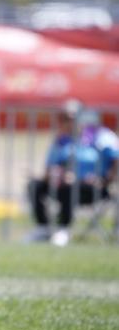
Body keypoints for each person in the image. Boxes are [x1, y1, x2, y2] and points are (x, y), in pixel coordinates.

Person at [27, 104, 119, 246]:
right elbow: (50, 166)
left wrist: (105, 180)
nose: (67, 123)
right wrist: (51, 175)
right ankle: (43, 228)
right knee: (35, 186)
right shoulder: (61, 140)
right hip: (64, 184)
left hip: (94, 189)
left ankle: (63, 229)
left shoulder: (102, 135)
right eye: (63, 119)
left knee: (70, 188)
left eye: (71, 118)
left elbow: (116, 159)